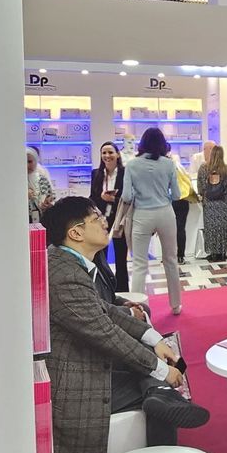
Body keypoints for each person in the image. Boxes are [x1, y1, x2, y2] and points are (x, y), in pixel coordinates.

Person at [41, 197, 209, 453]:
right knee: (158, 389)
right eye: (96, 218)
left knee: (154, 382)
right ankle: (164, 452)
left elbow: (105, 309)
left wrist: (153, 338)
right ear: (76, 233)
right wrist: (161, 370)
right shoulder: (65, 275)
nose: (104, 222)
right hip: (75, 386)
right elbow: (105, 332)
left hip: (87, 363)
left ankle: (161, 398)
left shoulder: (68, 263)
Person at [121, 127, 183, 315]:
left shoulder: (132, 165)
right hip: (165, 213)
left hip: (142, 215)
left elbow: (126, 196)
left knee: (139, 264)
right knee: (170, 260)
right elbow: (177, 195)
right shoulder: (169, 164)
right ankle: (176, 305)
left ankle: (137, 309)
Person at [90, 141, 129, 292]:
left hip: (120, 218)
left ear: (118, 154)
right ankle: (103, 290)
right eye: (104, 153)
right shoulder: (96, 174)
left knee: (121, 256)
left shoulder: (125, 173)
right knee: (100, 256)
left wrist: (113, 199)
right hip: (101, 219)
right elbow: (92, 197)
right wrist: (101, 199)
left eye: (110, 152)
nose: (107, 156)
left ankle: (123, 291)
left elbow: (129, 198)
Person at [197, 143, 227, 261]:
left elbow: (200, 187)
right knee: (223, 228)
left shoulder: (203, 168)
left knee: (211, 228)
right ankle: (222, 252)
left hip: (209, 204)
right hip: (224, 203)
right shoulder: (226, 169)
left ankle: (213, 253)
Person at [170, 151, 194, 265]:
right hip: (183, 200)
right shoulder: (182, 169)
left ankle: (170, 255)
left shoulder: (167, 168)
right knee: (180, 228)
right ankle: (180, 256)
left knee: (169, 230)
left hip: (171, 200)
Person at [27, 147, 56, 223]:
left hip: (41, 217)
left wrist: (48, 202)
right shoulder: (16, 179)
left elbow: (51, 194)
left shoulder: (42, 175)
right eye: (24, 161)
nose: (27, 165)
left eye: (30, 161)